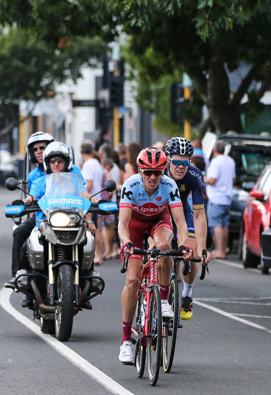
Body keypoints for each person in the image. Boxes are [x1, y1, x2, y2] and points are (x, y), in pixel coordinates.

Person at [117, 147, 193, 363]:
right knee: (132, 280)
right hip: (134, 225)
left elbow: (180, 223)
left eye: (157, 172)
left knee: (164, 246)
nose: (152, 177)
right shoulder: (130, 185)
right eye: (147, 172)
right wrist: (126, 243)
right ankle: (126, 340)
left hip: (159, 221)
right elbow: (122, 223)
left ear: (163, 171)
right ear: (140, 171)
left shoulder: (169, 185)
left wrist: (185, 245)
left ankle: (164, 297)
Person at [164, 136, 210, 321]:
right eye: (176, 162)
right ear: (168, 159)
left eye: (185, 162)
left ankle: (187, 294)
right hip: (161, 212)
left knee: (191, 255)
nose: (181, 166)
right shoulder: (157, 172)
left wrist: (202, 247)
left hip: (183, 211)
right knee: (159, 251)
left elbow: (199, 215)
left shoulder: (195, 175)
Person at [4, 131, 54, 290]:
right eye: (35, 149)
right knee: (20, 232)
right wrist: (23, 205)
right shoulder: (34, 176)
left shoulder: (68, 170)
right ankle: (17, 275)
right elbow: (32, 197)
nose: (39, 151)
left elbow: (81, 194)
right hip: (41, 217)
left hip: (65, 216)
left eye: (42, 148)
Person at [204, 140, 235, 259]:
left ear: (214, 150)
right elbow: (233, 180)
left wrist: (203, 179)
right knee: (224, 225)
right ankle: (224, 248)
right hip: (227, 197)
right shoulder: (230, 161)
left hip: (216, 198)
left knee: (216, 225)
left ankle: (219, 250)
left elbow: (212, 180)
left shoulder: (216, 162)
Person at [80, 143, 106, 264]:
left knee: (94, 230)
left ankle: (98, 256)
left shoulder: (88, 164)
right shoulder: (96, 162)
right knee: (98, 230)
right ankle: (99, 255)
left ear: (81, 153)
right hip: (97, 199)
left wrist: (82, 194)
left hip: (91, 201)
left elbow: (88, 184)